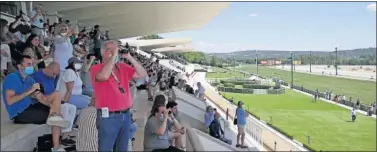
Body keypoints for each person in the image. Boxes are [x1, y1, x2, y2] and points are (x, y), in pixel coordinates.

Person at [2, 55, 68, 151]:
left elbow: (41, 98)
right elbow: (10, 101)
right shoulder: (12, 78)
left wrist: (53, 108)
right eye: (28, 64)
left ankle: (54, 120)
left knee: (57, 96)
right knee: (56, 119)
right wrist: (29, 91)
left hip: (30, 106)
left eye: (32, 64)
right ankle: (56, 147)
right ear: (20, 66)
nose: (31, 67)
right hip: (19, 113)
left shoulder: (30, 79)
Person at [90, 40, 147, 151]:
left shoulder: (122, 67)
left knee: (122, 148)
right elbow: (104, 76)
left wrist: (129, 57)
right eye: (111, 50)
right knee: (106, 148)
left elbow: (142, 73)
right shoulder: (96, 68)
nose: (115, 52)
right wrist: (114, 55)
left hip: (125, 114)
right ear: (104, 52)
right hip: (109, 117)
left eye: (116, 49)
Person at [31, 62, 77, 146]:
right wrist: (52, 104)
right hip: (41, 102)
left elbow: (52, 91)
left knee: (72, 107)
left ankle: (65, 133)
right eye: (54, 73)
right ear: (49, 68)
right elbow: (38, 96)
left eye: (56, 74)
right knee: (62, 106)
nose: (54, 76)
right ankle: (61, 136)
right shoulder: (36, 76)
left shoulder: (52, 77)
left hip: (52, 100)